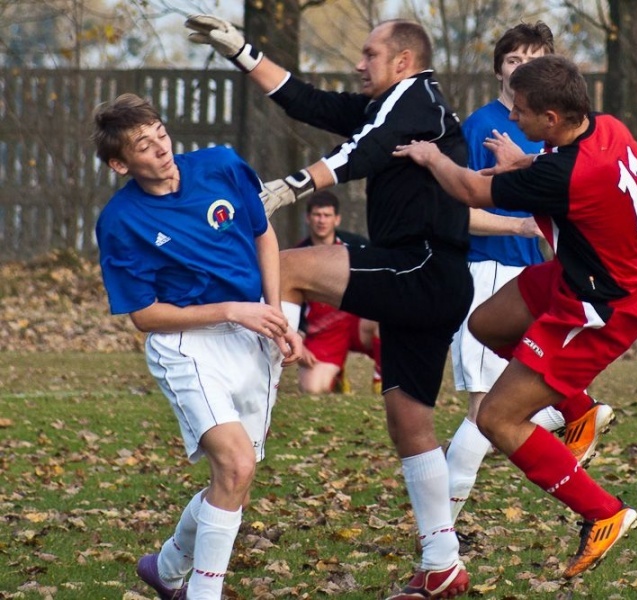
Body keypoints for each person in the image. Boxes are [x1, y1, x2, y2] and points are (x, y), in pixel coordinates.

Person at [186, 15, 474, 598]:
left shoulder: (419, 99)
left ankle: (252, 425)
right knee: (409, 422)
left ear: (402, 61)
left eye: (369, 54)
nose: (358, 63)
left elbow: (358, 154)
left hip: (422, 268)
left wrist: (288, 187)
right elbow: (306, 101)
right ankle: (442, 561)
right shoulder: (388, 103)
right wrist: (241, 50)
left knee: (287, 270)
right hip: (425, 275)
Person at [394, 54, 637, 579]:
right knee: (487, 325)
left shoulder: (565, 174)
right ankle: (577, 408)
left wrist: (429, 156)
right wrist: (526, 161)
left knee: (497, 417)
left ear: (553, 119)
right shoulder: (609, 128)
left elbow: (469, 189)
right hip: (579, 275)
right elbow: (568, 170)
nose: (511, 119)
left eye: (520, 112)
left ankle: (602, 514)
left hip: (598, 308)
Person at [92, 93, 303, 600]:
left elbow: (263, 235)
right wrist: (233, 309)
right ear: (121, 163)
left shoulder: (222, 165)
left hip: (251, 333)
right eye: (144, 145)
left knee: (235, 479)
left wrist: (272, 314)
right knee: (234, 465)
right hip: (184, 342)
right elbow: (145, 315)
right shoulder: (120, 221)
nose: (161, 147)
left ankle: (166, 570)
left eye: (160, 133)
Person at [446, 22, 613, 528]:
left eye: (535, 60)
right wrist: (522, 220)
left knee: (487, 414)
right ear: (499, 67)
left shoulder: (557, 126)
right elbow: (461, 209)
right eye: (515, 60)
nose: (523, 68)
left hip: (535, 276)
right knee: (495, 408)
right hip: (486, 270)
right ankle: (571, 409)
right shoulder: (479, 126)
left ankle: (440, 538)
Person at [294, 191, 382, 395]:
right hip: (323, 331)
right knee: (312, 389)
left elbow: (382, 279)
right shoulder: (297, 255)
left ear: (337, 219)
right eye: (317, 215)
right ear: (308, 218)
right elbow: (288, 301)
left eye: (327, 215)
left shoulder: (357, 246)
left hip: (357, 321)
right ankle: (337, 374)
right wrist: (298, 340)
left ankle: (381, 380)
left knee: (386, 318)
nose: (322, 220)